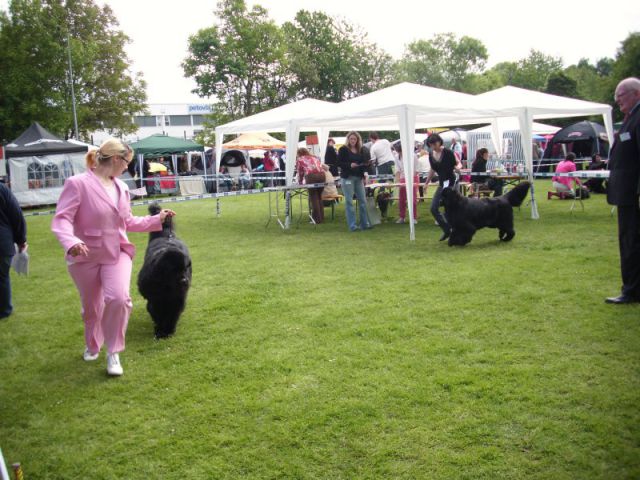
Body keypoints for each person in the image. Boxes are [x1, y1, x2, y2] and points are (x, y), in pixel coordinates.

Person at [51, 138, 175, 376]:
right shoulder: (77, 184)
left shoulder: (122, 188)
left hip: (117, 252)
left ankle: (113, 352)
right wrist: (71, 241)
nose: (127, 168)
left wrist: (156, 220)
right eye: (127, 162)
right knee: (92, 308)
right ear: (116, 159)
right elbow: (62, 219)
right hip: (84, 256)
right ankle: (92, 344)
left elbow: (127, 221)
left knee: (119, 298)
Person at [605, 77, 640, 304]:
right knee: (629, 241)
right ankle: (632, 288)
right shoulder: (631, 118)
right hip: (626, 193)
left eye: (621, 97)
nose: (618, 102)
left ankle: (632, 290)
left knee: (631, 242)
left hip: (632, 193)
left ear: (635, 93)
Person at [0, 182, 27, 319]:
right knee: (2, 277)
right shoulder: (2, 189)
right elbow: (16, 215)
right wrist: (21, 239)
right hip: (2, 243)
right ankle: (4, 310)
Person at [424, 133, 458, 241]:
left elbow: (457, 163)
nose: (433, 146)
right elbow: (432, 169)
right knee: (433, 208)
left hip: (452, 184)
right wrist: (426, 183)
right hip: (442, 184)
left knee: (451, 209)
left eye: (435, 143)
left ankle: (456, 231)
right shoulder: (430, 155)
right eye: (431, 144)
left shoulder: (448, 153)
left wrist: (458, 168)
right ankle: (447, 229)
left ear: (439, 142)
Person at [338, 131, 372, 231]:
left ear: (358, 140)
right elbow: (338, 163)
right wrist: (349, 165)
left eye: (355, 139)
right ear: (348, 139)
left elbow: (363, 164)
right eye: (351, 139)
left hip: (359, 178)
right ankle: (352, 226)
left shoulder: (360, 150)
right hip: (347, 178)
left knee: (363, 201)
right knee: (349, 202)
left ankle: (364, 224)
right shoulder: (343, 149)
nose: (353, 140)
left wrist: (365, 173)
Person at [296, 147, 326, 224]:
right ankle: (321, 217)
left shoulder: (300, 159)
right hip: (322, 176)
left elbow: (300, 172)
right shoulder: (315, 157)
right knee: (319, 197)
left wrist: (300, 182)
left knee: (314, 198)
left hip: (311, 176)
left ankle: (316, 219)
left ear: (299, 153)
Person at [393, 143, 419, 224]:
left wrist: (410, 180)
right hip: (402, 178)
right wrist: (397, 182)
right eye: (398, 152)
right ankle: (402, 217)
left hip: (413, 178)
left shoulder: (413, 156)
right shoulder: (397, 157)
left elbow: (416, 170)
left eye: (401, 151)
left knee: (413, 199)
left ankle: (413, 218)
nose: (400, 153)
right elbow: (397, 170)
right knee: (402, 199)